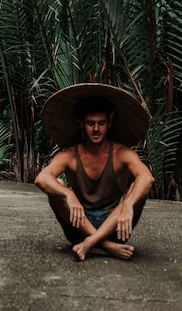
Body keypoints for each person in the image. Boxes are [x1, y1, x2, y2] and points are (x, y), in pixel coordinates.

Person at [35, 83, 155, 261]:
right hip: (78, 225)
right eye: (91, 123)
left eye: (101, 123)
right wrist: (69, 194)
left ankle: (92, 243)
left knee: (135, 191)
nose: (96, 129)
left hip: (116, 225)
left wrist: (129, 204)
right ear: (82, 124)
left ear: (110, 124)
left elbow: (147, 178)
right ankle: (105, 246)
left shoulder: (122, 153)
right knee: (57, 186)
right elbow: (41, 178)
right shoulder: (70, 155)